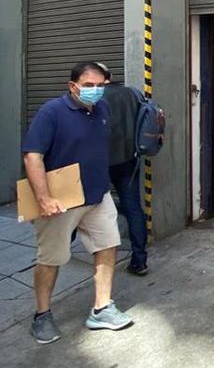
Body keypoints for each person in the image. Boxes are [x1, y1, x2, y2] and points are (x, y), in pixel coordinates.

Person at [22, 62, 133, 345]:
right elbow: (33, 156)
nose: (95, 91)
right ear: (73, 86)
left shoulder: (102, 109)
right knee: (51, 258)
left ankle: (102, 308)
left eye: (100, 86)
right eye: (88, 85)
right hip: (61, 200)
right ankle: (42, 314)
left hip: (97, 195)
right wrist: (43, 197)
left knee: (107, 247)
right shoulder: (52, 112)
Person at [97, 63, 149, 276]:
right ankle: (139, 260)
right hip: (129, 160)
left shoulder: (95, 98)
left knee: (82, 206)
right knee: (133, 208)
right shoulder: (133, 94)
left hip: (98, 163)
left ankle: (65, 245)